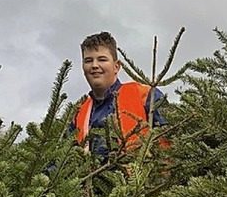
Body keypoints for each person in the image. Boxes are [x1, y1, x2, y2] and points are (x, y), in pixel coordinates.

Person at [72, 31, 168, 159]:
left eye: (102, 59)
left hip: (142, 177)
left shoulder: (144, 95)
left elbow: (173, 138)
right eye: (88, 60)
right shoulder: (79, 112)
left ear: (116, 66)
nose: (94, 65)